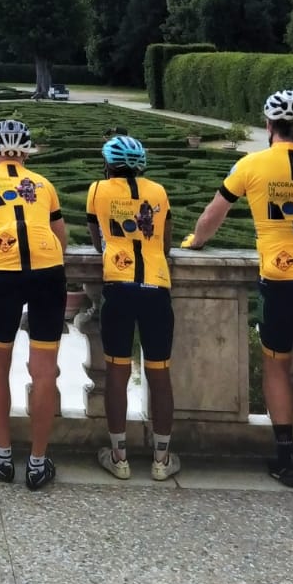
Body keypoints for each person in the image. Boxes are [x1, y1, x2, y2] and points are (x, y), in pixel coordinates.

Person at [184, 89, 293, 490]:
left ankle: (286, 457)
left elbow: (212, 215)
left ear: (268, 126)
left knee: (276, 364)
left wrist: (195, 242)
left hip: (281, 276)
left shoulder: (250, 166)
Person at [0, 118, 67, 491]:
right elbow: (60, 237)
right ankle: (37, 463)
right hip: (49, 271)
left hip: (5, 273)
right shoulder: (44, 184)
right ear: (26, 152)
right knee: (44, 372)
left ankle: (2, 457)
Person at [86, 135, 179, 481]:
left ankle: (119, 457)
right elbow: (167, 240)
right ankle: (161, 459)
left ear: (108, 164)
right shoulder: (159, 192)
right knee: (160, 373)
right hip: (156, 285)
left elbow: (97, 240)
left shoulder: (97, 190)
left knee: (117, 372)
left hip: (119, 285)